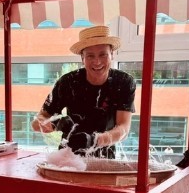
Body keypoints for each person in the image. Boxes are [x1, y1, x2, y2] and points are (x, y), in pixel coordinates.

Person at [31, 25, 136, 158]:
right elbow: (36, 123)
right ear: (82, 58)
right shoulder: (67, 82)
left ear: (112, 55)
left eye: (103, 54)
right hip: (68, 158)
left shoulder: (124, 82)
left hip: (105, 158)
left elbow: (123, 128)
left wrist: (95, 140)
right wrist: (55, 124)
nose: (97, 62)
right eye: (90, 56)